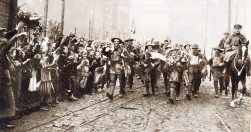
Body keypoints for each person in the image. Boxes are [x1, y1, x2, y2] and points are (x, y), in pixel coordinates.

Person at [0, 29, 26, 128]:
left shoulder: (4, 54)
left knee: (7, 99)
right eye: (2, 38)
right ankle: (3, 123)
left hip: (5, 77)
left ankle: (5, 121)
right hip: (3, 78)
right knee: (4, 99)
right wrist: (16, 36)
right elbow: (7, 46)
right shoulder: (2, 52)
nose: (4, 40)